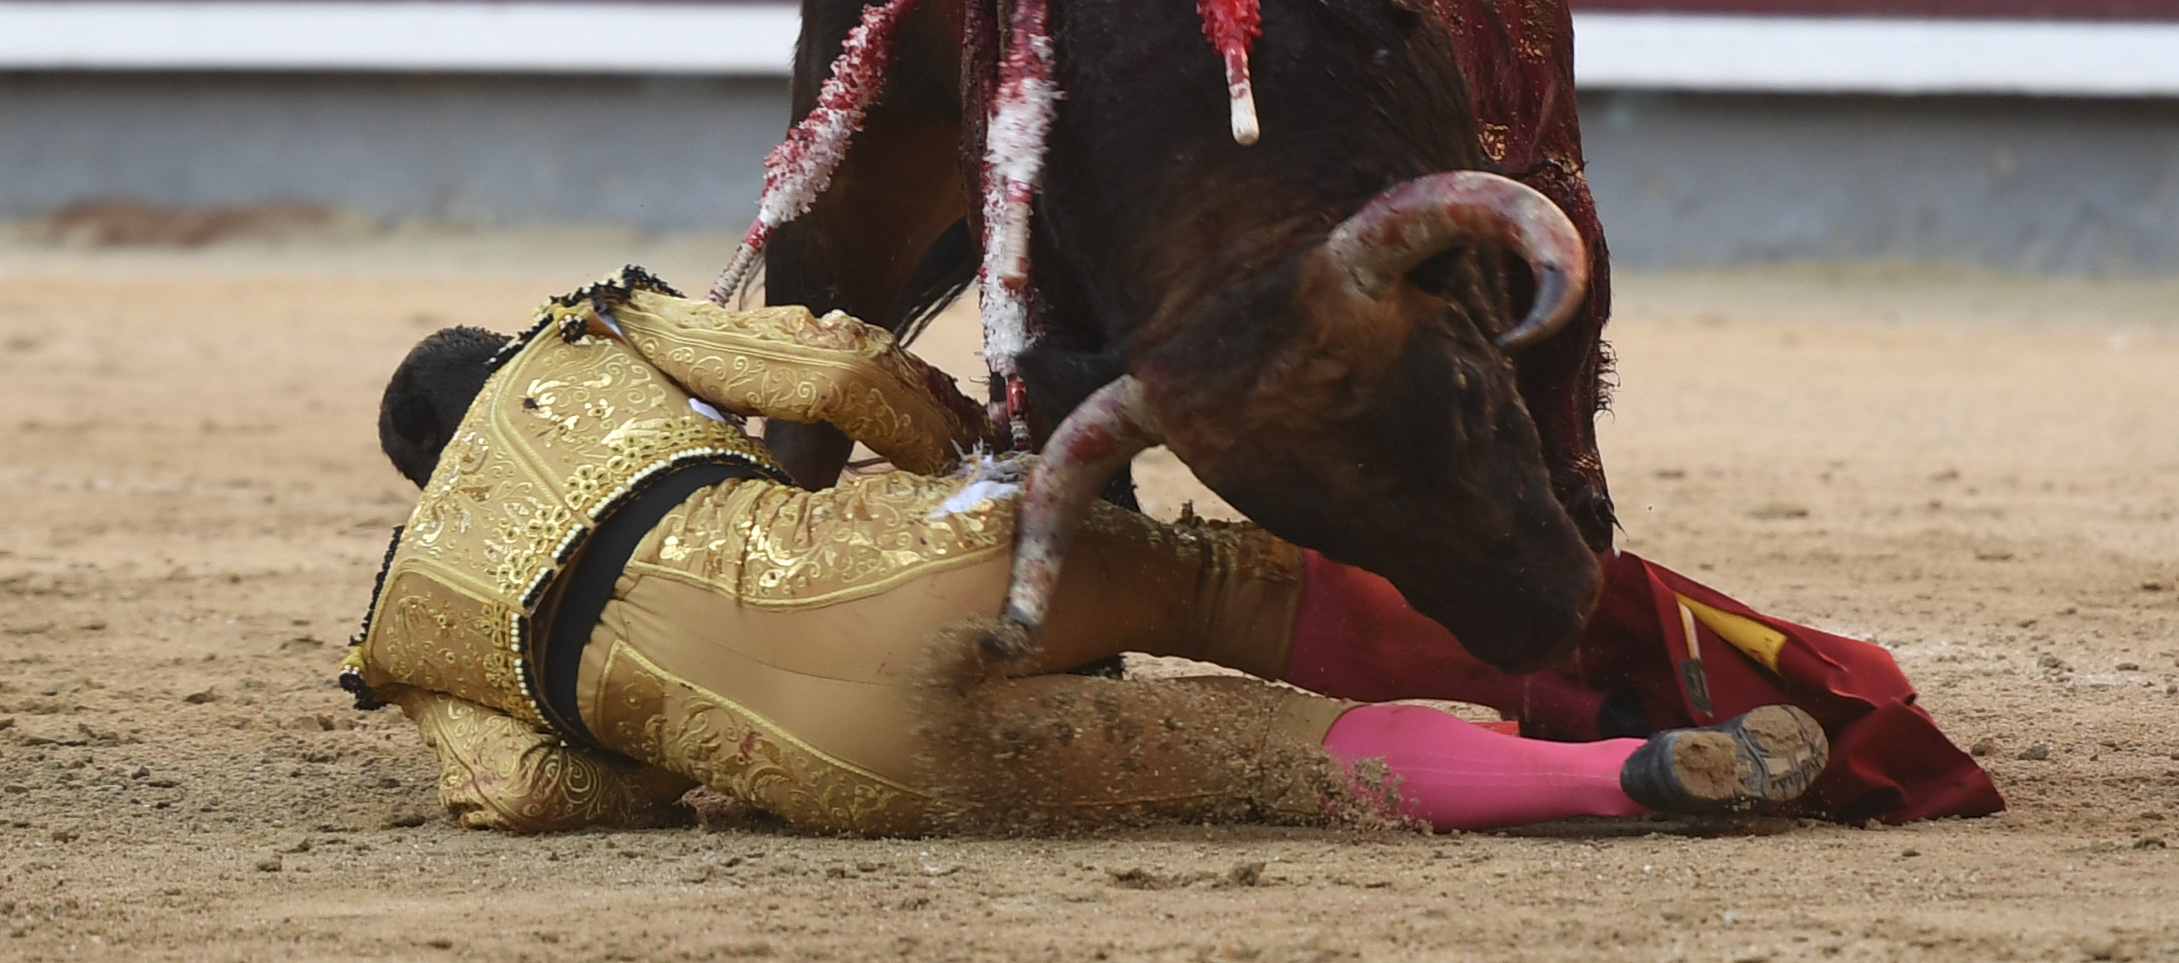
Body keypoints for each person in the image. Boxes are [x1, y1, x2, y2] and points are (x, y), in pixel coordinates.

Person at [344, 266, 1827, 836]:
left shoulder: (406, 632)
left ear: (425, 476)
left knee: (1260, 756)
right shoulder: (584, 334)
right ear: (502, 360)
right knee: (1220, 584)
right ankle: (1613, 669)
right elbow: (838, 371)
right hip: (909, 553)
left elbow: (526, 791)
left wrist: (665, 741)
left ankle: (1607, 785)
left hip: (845, 768)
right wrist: (975, 467)